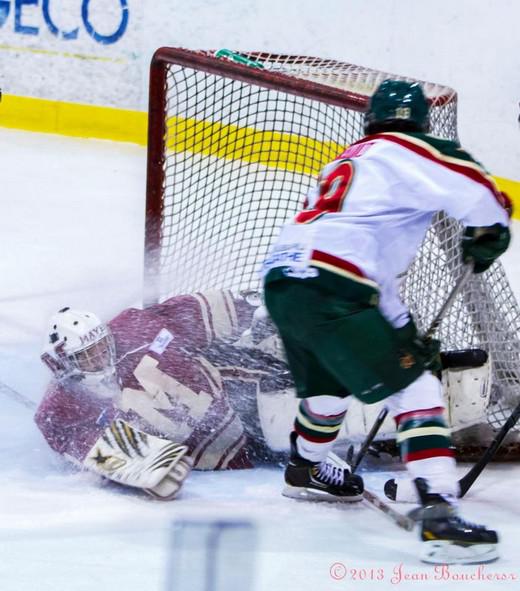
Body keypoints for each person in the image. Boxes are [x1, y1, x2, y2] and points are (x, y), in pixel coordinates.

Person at [262, 79, 511, 564]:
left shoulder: (351, 159)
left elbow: (371, 262)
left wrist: (401, 335)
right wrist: (492, 225)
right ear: (420, 122)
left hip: (285, 280)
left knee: (328, 389)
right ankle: (441, 517)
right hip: (338, 287)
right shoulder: (412, 148)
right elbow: (477, 185)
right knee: (416, 389)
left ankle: (305, 468)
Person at [35, 290, 293, 500]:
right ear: (63, 364)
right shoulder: (60, 409)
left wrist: (257, 311)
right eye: (88, 356)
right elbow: (82, 442)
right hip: (231, 454)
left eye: (102, 347)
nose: (101, 359)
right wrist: (146, 464)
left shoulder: (136, 327)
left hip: (250, 399)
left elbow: (198, 312)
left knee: (302, 403)